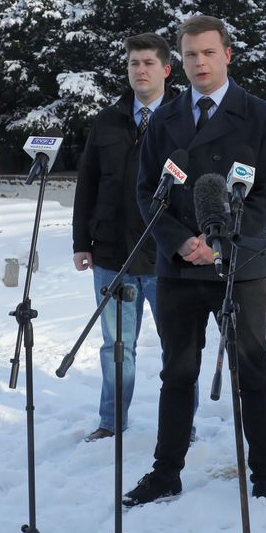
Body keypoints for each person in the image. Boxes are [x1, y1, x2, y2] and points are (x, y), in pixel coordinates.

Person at [123, 15, 266, 512]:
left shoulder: (259, 116)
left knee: (252, 371)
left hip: (240, 265)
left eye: (208, 53)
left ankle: (264, 475)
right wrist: (181, 242)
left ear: (228, 55)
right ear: (181, 60)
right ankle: (166, 472)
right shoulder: (165, 119)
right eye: (191, 54)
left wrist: (222, 244)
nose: (199, 63)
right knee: (177, 372)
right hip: (178, 267)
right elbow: (147, 193)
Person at [72, 33, 179, 441]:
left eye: (149, 63)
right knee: (116, 348)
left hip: (167, 257)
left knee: (177, 348)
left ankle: (179, 422)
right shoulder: (108, 119)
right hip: (112, 256)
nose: (140, 70)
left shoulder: (184, 119)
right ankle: (111, 420)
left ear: (166, 69)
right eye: (134, 63)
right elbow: (88, 185)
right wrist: (82, 242)